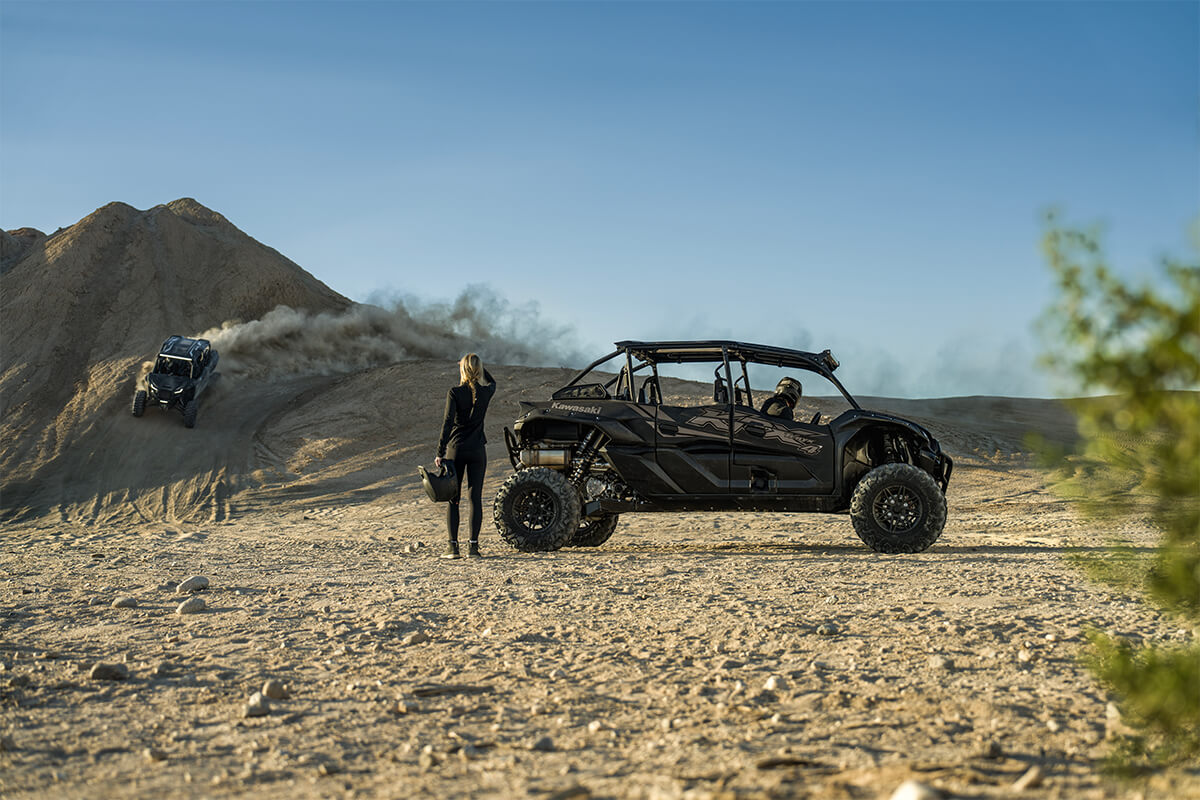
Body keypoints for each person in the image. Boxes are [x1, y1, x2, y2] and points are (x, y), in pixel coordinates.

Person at [435, 353, 497, 559]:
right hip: (478, 450)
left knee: (454, 499)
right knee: (475, 499)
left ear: (462, 369)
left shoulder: (454, 392)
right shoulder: (486, 392)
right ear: (478, 370)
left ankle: (453, 548)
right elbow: (493, 382)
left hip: (456, 450)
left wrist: (440, 452)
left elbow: (447, 423)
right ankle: (473, 548)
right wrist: (479, 368)